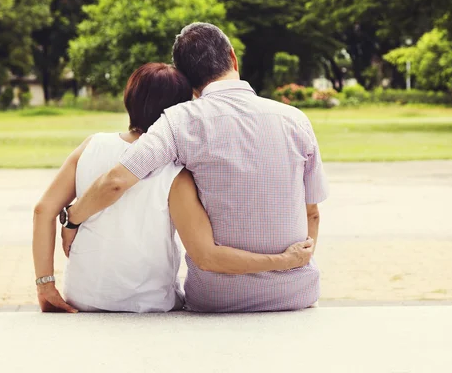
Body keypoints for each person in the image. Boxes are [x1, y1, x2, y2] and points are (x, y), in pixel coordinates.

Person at [63, 23, 328, 313]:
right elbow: (311, 213)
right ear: (233, 57)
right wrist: (290, 262)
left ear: (187, 81)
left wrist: (72, 218)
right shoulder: (295, 119)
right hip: (296, 294)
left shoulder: (180, 121)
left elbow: (117, 181)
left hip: (217, 299)